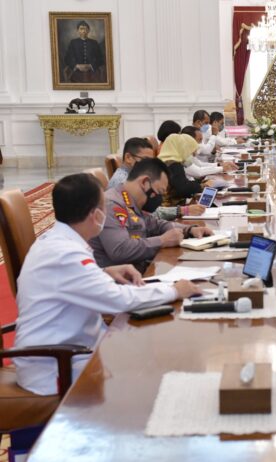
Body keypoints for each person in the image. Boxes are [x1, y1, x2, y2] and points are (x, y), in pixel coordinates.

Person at [13, 173, 201, 395]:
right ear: (95, 215)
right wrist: (174, 290)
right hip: (57, 367)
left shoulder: (56, 241)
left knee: (154, 351)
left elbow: (67, 280)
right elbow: (119, 300)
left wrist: (104, 272)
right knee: (158, 366)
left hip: (73, 349)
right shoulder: (66, 254)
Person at [91, 158, 213, 271]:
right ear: (145, 183)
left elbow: (156, 224)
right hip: (122, 283)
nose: (159, 198)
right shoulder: (112, 204)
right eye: (159, 192)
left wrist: (189, 230)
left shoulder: (130, 200)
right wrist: (162, 241)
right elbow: (120, 250)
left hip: (140, 271)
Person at [107, 139, 205, 220]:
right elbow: (145, 215)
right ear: (128, 157)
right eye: (145, 160)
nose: (150, 165)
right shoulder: (123, 182)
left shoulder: (134, 177)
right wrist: (182, 211)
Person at [158, 133, 210, 205]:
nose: (192, 155)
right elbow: (182, 188)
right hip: (170, 208)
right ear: (183, 148)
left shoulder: (163, 161)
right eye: (190, 152)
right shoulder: (173, 163)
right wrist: (200, 186)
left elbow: (179, 183)